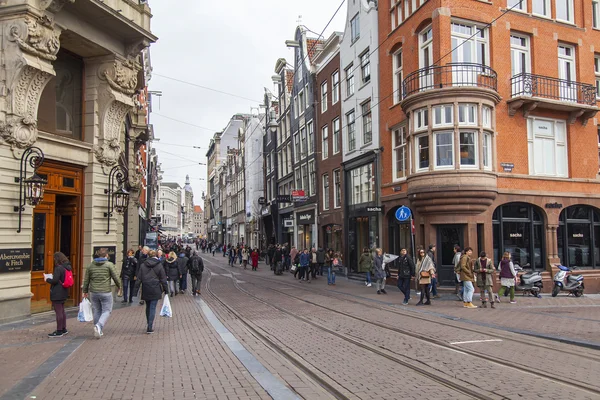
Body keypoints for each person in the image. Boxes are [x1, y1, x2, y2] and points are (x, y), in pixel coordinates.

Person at [82, 248, 122, 339]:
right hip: (105, 291)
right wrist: (119, 286)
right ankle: (99, 326)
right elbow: (116, 277)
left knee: (97, 310)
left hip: (94, 292)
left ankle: (98, 329)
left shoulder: (90, 266)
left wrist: (84, 291)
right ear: (106, 255)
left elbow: (86, 280)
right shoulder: (109, 265)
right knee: (107, 310)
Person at [133, 250, 168, 334]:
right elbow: (163, 279)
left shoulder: (143, 265)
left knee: (148, 306)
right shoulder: (159, 265)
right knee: (152, 307)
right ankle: (150, 326)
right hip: (155, 287)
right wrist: (166, 290)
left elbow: (139, 279)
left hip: (145, 287)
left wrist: (135, 291)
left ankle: (149, 323)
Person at [45, 252, 73, 337]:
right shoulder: (67, 267)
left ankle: (59, 330)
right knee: (62, 311)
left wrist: (47, 279)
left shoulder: (58, 268)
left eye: (54, 259)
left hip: (57, 292)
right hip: (64, 291)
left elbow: (55, 280)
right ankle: (63, 328)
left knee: (58, 312)